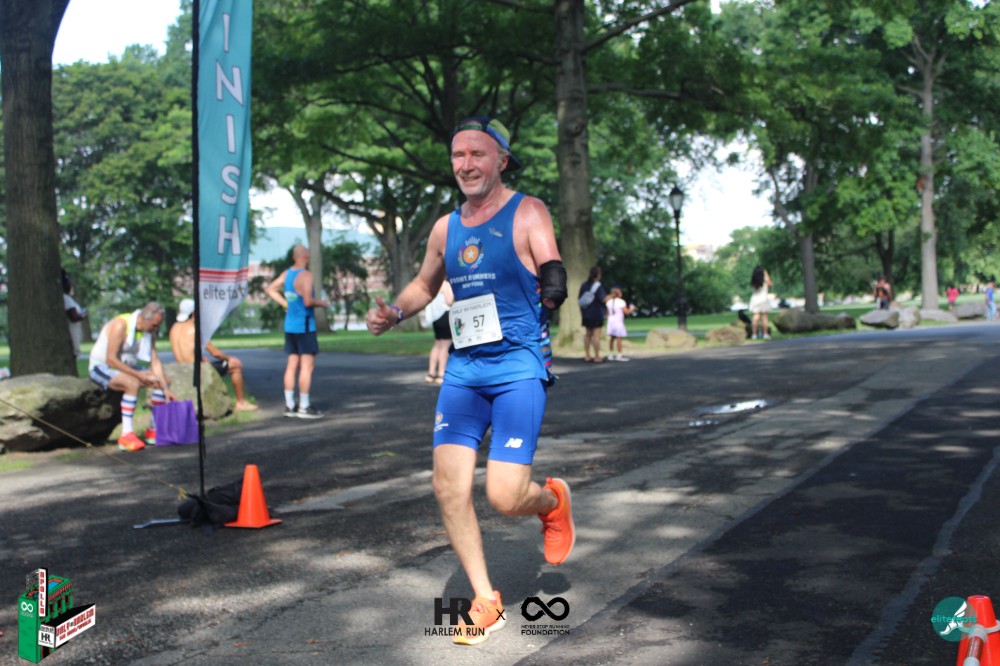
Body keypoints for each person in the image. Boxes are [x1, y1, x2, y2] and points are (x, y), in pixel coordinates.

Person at [365, 115, 574, 646]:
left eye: (477, 154)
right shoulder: (445, 227)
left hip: (517, 365)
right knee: (447, 486)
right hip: (464, 369)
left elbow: (550, 260)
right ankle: (486, 600)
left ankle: (551, 502)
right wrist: (394, 312)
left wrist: (552, 286)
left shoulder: (527, 210)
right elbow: (423, 284)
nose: (466, 164)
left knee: (505, 496)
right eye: (458, 155)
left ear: (501, 160)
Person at [88, 302, 176, 451]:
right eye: (154, 325)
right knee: (132, 383)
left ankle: (153, 430)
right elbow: (111, 359)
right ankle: (126, 435)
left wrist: (165, 387)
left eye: (158, 326)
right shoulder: (120, 325)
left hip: (126, 365)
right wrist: (138, 375)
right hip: (102, 366)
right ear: (144, 318)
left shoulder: (149, 332)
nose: (156, 329)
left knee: (162, 380)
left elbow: (155, 361)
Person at [265, 244, 329, 418]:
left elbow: (270, 289)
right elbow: (308, 301)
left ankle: (290, 405)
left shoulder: (287, 274)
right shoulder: (306, 275)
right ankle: (304, 407)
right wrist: (322, 303)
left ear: (294, 257)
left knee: (292, 365)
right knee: (307, 366)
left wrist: (286, 304)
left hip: (290, 326)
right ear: (306, 256)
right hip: (305, 325)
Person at [169, 298, 258, 411]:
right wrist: (229, 358)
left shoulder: (174, 328)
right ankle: (241, 403)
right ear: (195, 313)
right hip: (196, 371)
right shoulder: (196, 329)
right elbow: (215, 353)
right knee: (236, 365)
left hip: (182, 369)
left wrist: (201, 360)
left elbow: (186, 351)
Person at [422, 281, 454, 384]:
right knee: (445, 345)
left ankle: (431, 373)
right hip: (445, 315)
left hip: (435, 318)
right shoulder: (445, 284)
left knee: (437, 345)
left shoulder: (432, 284)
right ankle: (441, 373)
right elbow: (449, 301)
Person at [579, 266, 609, 362]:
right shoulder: (598, 286)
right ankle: (597, 356)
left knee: (588, 334)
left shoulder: (584, 285)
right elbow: (603, 299)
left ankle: (587, 355)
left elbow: (580, 299)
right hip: (596, 313)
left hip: (586, 313)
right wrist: (612, 295)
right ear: (598, 275)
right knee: (596, 335)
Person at [605, 286, 635, 361]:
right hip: (618, 321)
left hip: (611, 320)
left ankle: (611, 354)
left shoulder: (608, 302)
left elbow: (607, 313)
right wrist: (632, 309)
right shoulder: (621, 302)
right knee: (619, 338)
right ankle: (619, 354)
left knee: (612, 338)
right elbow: (627, 312)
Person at [62, 270, 87, 357]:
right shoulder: (66, 299)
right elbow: (73, 317)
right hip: (72, 332)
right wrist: (83, 315)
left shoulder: (67, 298)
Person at [749, 266, 773, 340]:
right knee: (764, 318)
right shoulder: (765, 280)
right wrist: (766, 274)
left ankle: (754, 334)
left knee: (755, 317)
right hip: (763, 299)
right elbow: (771, 284)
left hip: (755, 299)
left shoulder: (753, 280)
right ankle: (765, 334)